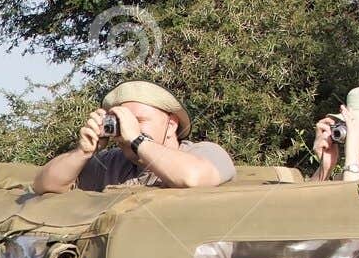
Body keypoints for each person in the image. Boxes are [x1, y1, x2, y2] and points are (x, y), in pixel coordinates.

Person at [34, 81, 235, 194]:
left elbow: (193, 178)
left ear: (171, 124)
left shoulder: (204, 153)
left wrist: (137, 139)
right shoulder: (111, 163)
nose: (127, 129)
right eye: (122, 121)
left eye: (139, 120)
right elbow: (45, 185)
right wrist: (83, 152)